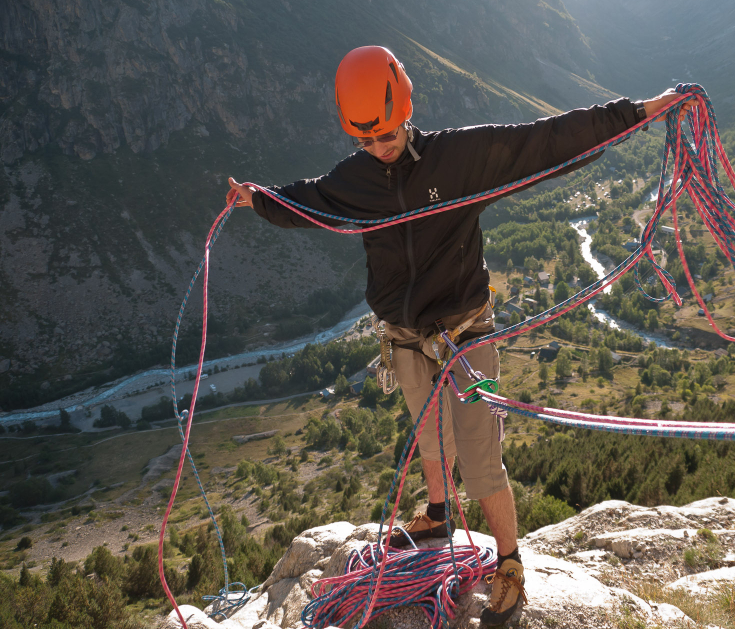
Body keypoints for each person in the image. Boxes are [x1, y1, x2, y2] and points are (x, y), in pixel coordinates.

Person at [226, 45, 691, 625]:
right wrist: (257, 200)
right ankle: (439, 514)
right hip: (404, 337)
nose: (379, 146)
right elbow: (309, 201)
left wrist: (638, 113)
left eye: (387, 133)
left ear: (405, 110)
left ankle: (511, 564)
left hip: (465, 333)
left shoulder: (459, 158)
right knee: (431, 440)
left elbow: (544, 141)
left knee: (480, 459)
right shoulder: (356, 178)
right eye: (366, 140)